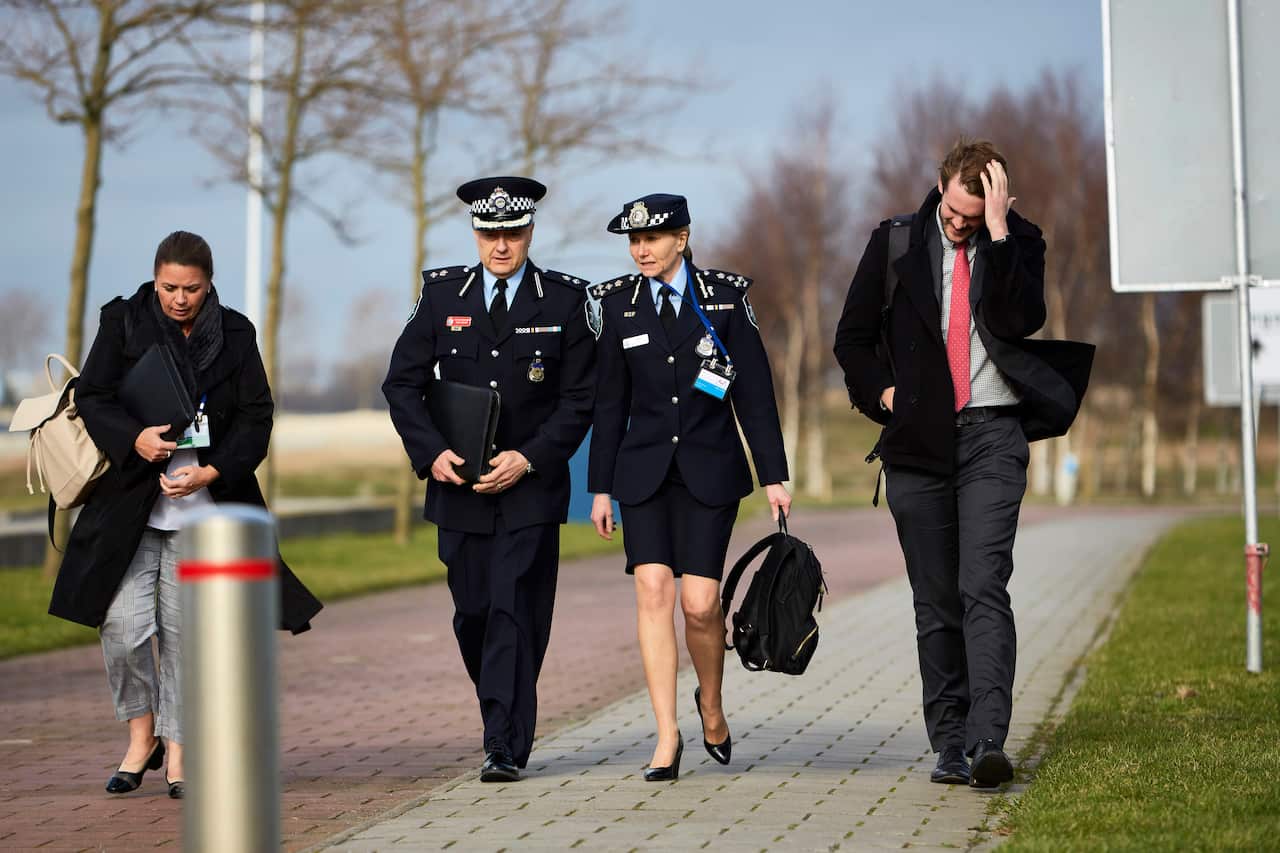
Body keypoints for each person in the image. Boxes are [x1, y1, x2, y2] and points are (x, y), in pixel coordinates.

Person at [833, 139, 1092, 788]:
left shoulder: (1019, 240)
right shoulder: (894, 243)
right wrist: (883, 395)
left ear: (996, 205)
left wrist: (998, 236)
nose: (957, 226)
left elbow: (1020, 316)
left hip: (993, 437)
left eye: (972, 218)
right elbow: (852, 339)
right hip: (917, 443)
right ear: (940, 186)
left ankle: (987, 743)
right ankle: (949, 742)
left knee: (983, 584)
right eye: (952, 212)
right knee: (937, 600)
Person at [49, 230, 323, 799]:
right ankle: (140, 734)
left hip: (205, 512)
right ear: (155, 279)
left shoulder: (238, 333)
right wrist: (135, 439)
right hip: (130, 505)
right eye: (169, 287)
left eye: (192, 289)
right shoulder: (123, 321)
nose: (179, 298)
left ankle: (177, 754)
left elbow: (256, 417)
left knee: (184, 638)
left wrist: (213, 470)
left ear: (209, 284)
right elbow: (93, 395)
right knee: (122, 629)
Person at [383, 176, 596, 783]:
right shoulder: (439, 296)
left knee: (513, 609)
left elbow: (580, 398)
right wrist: (430, 454)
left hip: (529, 488)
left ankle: (502, 741)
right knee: (473, 614)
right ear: (474, 234)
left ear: (531, 231)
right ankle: (502, 711)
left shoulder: (564, 302)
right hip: (458, 490)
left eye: (512, 232)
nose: (500, 245)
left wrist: (529, 457)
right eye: (489, 233)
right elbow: (402, 385)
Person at [588, 193, 791, 781]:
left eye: (653, 238)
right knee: (653, 590)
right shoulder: (617, 307)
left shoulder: (725, 297)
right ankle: (666, 735)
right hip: (643, 473)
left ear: (683, 238)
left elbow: (754, 393)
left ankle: (712, 705)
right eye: (634, 241)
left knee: (699, 605)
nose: (641, 250)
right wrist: (599, 489)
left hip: (710, 471)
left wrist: (774, 476)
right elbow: (609, 405)